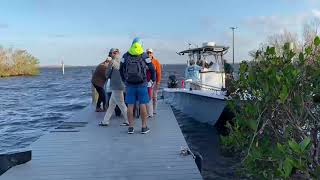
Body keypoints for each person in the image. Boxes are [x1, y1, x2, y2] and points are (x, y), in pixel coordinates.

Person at [120, 38, 155, 134]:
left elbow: (120, 68)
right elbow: (152, 68)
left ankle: (131, 127)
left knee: (130, 106)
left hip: (130, 84)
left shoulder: (125, 55)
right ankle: (144, 127)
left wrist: (124, 80)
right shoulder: (144, 55)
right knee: (142, 104)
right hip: (142, 84)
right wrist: (152, 80)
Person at [99, 48, 129, 126]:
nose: (109, 55)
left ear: (113, 53)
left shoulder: (112, 62)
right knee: (111, 105)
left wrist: (109, 64)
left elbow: (107, 74)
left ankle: (128, 120)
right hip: (121, 85)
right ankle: (105, 121)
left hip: (116, 86)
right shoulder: (123, 61)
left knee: (122, 105)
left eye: (110, 53)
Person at [146, 48, 161, 115]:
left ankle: (154, 110)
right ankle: (148, 111)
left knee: (154, 97)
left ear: (152, 54)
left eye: (150, 53)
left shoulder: (156, 61)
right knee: (148, 97)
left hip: (154, 82)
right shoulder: (144, 61)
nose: (149, 54)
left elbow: (158, 72)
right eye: (148, 53)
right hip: (147, 81)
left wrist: (158, 82)